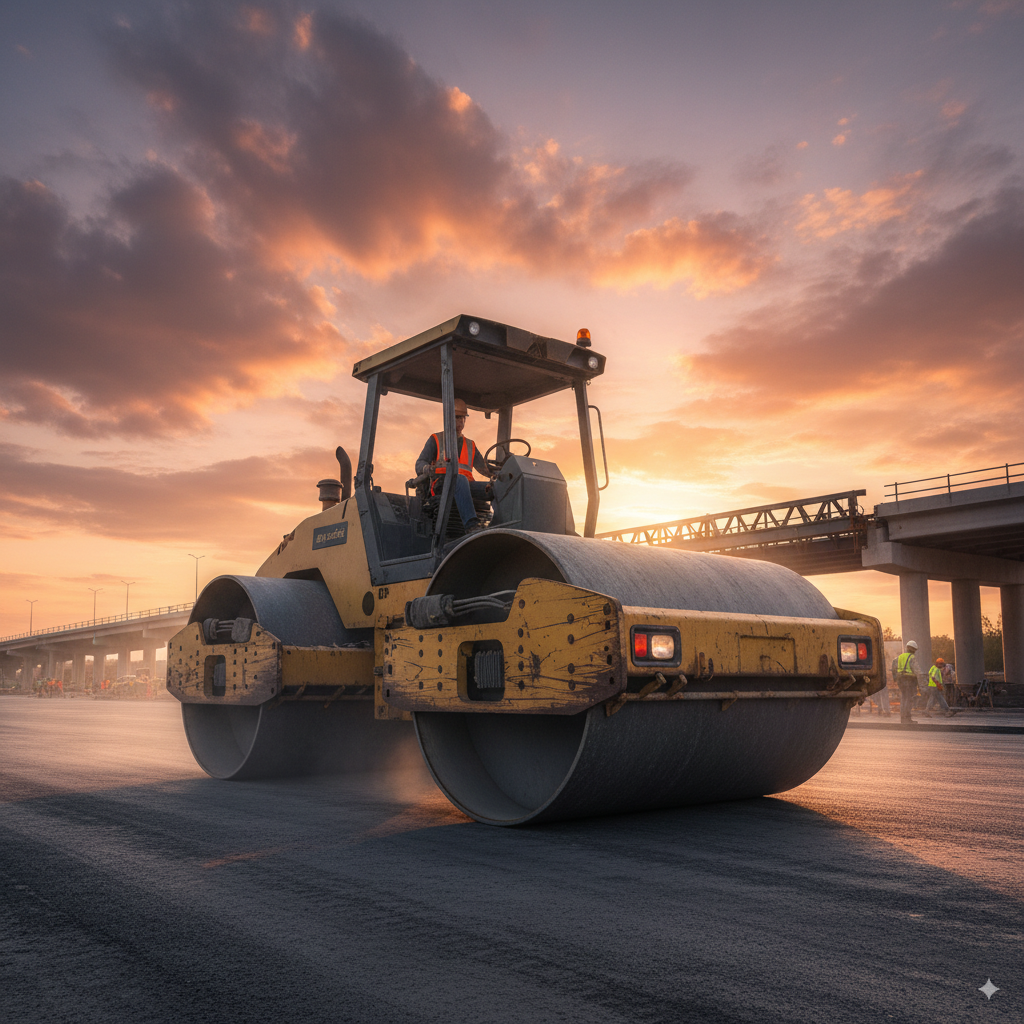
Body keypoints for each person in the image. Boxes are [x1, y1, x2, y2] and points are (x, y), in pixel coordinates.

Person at [415, 398, 492, 533]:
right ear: (448, 418)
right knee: (459, 479)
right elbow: (420, 463)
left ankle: (500, 525)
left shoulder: (470, 445)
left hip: (466, 486)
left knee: (494, 488)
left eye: (463, 418)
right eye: (457, 417)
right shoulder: (436, 439)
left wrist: (500, 473)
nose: (461, 421)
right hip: (442, 484)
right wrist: (427, 469)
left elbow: (485, 469)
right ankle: (471, 526)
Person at [893, 640, 921, 725]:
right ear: (914, 649)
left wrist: (895, 678)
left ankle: (903, 718)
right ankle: (907, 718)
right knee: (909, 699)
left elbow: (894, 666)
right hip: (909, 680)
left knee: (904, 698)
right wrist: (921, 683)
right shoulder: (912, 657)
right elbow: (917, 671)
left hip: (900, 680)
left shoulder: (900, 657)